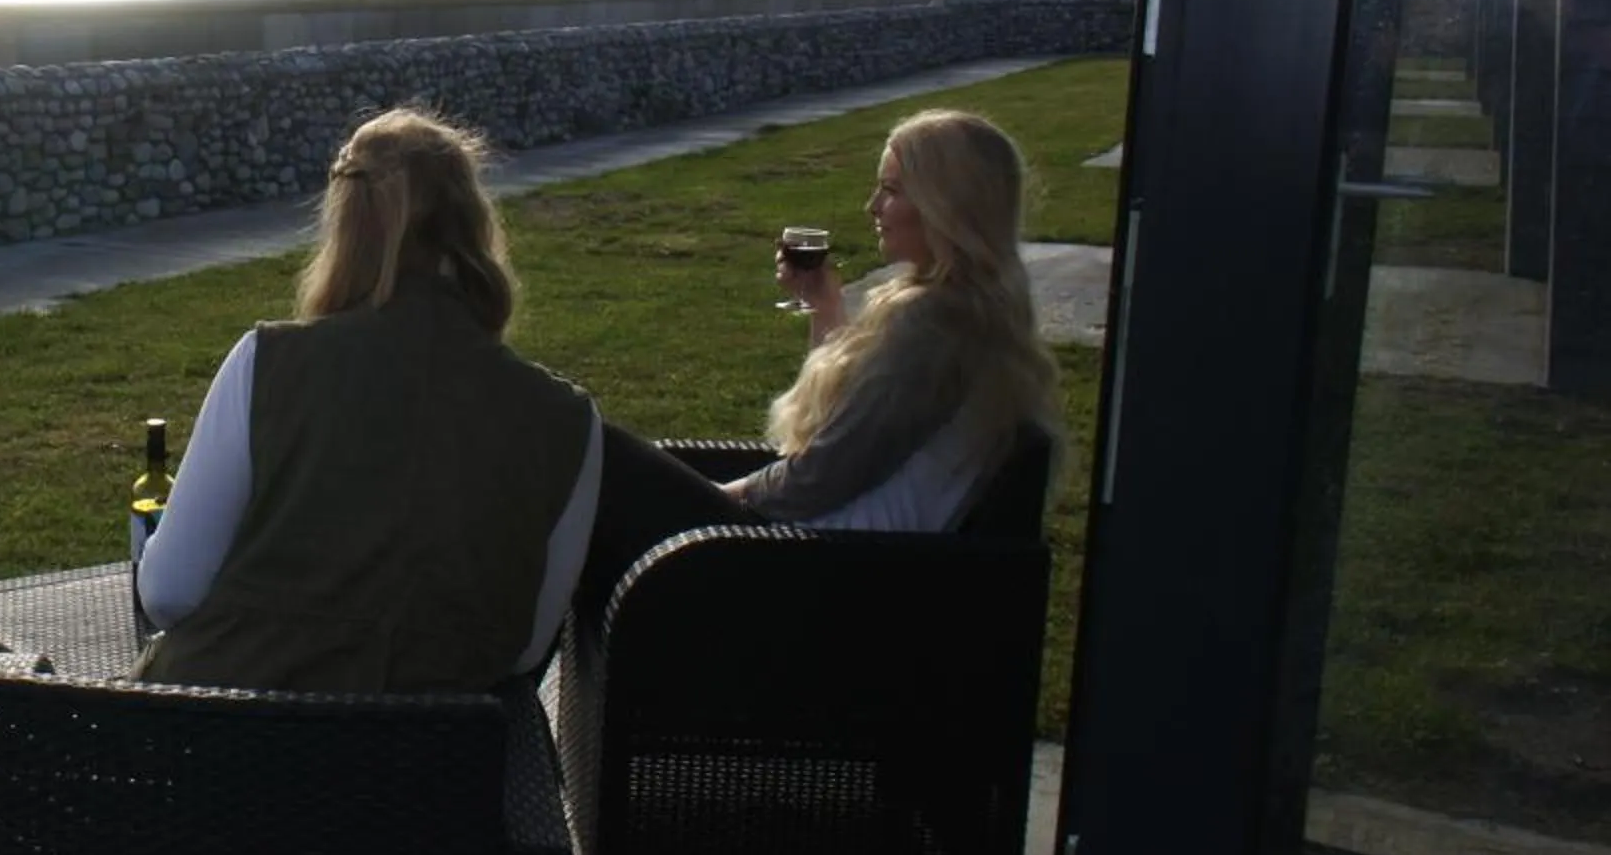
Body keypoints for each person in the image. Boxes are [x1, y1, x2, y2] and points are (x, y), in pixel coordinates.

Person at [133, 107, 603, 695]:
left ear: (345, 225)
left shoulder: (269, 362)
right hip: (429, 770)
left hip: (233, 751)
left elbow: (170, 592)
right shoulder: (567, 420)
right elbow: (526, 645)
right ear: (474, 222)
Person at [580, 107, 1064, 588]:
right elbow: (849, 429)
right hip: (842, 547)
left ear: (947, 205)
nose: (872, 207)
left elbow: (819, 477)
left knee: (602, 455)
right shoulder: (969, 315)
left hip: (821, 567)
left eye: (891, 190)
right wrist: (825, 307)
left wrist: (718, 499)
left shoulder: (934, 326)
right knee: (615, 473)